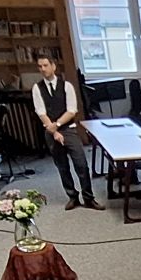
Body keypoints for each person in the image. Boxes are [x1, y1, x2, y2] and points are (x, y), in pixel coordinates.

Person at [34, 55, 100, 210]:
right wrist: (53, 130)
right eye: (40, 66)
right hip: (50, 131)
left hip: (68, 130)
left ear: (53, 66)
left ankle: (88, 197)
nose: (43, 69)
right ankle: (72, 196)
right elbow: (41, 111)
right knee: (62, 166)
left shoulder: (66, 86)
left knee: (81, 164)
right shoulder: (37, 88)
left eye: (45, 65)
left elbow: (72, 110)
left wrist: (56, 125)